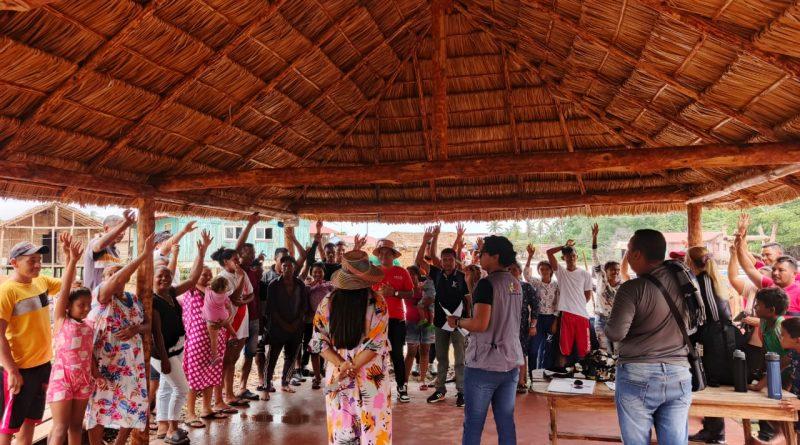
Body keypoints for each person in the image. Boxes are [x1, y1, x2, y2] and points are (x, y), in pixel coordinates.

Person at [605, 229, 693, 445]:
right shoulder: (686, 282)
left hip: (638, 373)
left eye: (628, 251)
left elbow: (615, 332)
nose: (627, 255)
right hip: (679, 371)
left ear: (637, 254)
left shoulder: (632, 288)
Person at [447, 235, 522, 445]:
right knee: (506, 422)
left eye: (483, 253)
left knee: (474, 424)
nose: (479, 256)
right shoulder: (515, 283)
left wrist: (458, 322)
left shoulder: (487, 284)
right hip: (510, 362)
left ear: (495, 256)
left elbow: (480, 324)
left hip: (484, 365)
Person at [310, 250, 391, 445]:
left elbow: (319, 341)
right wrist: (353, 366)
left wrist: (342, 365)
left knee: (342, 430)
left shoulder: (327, 302)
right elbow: (375, 344)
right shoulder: (378, 303)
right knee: (373, 430)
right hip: (370, 375)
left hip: (339, 373)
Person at [87, 237, 154, 445]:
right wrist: (143, 255)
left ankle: (119, 443)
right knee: (99, 405)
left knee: (135, 403)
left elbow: (147, 325)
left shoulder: (133, 299)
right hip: (105, 362)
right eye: (109, 275)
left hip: (131, 363)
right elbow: (115, 282)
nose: (114, 278)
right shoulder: (101, 295)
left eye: (117, 274)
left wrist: (136, 328)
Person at [151, 230, 212, 444]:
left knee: (167, 387)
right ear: (152, 279)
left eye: (167, 276)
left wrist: (201, 253)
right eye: (159, 276)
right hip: (162, 352)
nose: (164, 279)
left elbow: (193, 278)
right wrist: (164, 358)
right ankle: (172, 429)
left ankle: (162, 425)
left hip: (176, 348)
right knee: (181, 387)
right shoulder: (153, 300)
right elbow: (156, 334)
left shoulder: (170, 292)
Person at [0, 241, 62, 445]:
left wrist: (72, 261)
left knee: (30, 421)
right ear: (14, 263)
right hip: (19, 370)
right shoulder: (7, 291)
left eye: (39, 260)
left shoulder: (41, 282)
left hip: (43, 366)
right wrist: (12, 371)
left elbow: (69, 285)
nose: (37, 265)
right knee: (8, 427)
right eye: (31, 261)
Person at [685, 246, 735, 444]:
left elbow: (715, 315)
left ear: (690, 261)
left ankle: (716, 434)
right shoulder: (713, 278)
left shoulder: (703, 280)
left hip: (716, 339)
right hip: (718, 337)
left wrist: (700, 334)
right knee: (711, 380)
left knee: (712, 382)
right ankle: (712, 430)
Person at [416, 226, 470, 406]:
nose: (446, 262)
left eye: (450, 260)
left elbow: (468, 300)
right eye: (444, 259)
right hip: (440, 322)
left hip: (459, 324)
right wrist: (425, 241)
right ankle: (440, 390)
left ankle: (462, 392)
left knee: (460, 360)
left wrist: (468, 321)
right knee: (441, 358)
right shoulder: (436, 274)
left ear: (455, 261)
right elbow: (419, 261)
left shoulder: (462, 277)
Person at [47, 235, 93, 445]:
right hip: (62, 380)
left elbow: (90, 354)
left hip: (83, 380)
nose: (86, 309)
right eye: (81, 305)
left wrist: (95, 373)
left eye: (88, 305)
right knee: (60, 428)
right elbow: (65, 289)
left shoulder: (89, 325)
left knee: (76, 427)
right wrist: (73, 261)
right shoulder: (61, 321)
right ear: (67, 306)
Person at [180, 266, 233, 428]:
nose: (208, 277)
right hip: (197, 340)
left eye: (210, 275)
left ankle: (206, 408)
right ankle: (190, 413)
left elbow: (228, 308)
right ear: (195, 275)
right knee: (195, 376)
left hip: (217, 339)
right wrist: (201, 255)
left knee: (212, 371)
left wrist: (226, 322)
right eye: (203, 274)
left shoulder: (213, 291)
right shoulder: (191, 289)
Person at [210, 247, 253, 408]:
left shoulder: (242, 273)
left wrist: (244, 301)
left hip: (242, 319)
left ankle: (229, 394)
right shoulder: (222, 278)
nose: (238, 261)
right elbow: (234, 297)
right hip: (229, 322)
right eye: (235, 259)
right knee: (225, 360)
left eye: (238, 258)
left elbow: (250, 294)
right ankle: (219, 397)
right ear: (225, 262)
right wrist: (240, 278)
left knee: (233, 359)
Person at [373, 238, 414, 403]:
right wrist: (378, 295)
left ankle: (402, 387)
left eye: (387, 253)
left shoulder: (402, 272)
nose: (384, 256)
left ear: (393, 255)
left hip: (396, 320)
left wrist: (395, 293)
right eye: (381, 253)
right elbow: (366, 295)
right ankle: (377, 389)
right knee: (376, 355)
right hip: (376, 321)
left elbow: (410, 294)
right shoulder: (373, 272)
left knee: (397, 355)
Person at [265, 256, 310, 393]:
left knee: (291, 356)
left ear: (294, 268)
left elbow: (304, 306)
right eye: (284, 266)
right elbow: (271, 308)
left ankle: (285, 382)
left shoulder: (300, 284)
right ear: (281, 268)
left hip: (296, 328)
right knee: (272, 357)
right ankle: (267, 383)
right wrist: (284, 324)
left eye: (290, 266)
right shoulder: (273, 285)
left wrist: (296, 322)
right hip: (278, 328)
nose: (287, 268)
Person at [546, 241, 593, 366]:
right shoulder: (561, 272)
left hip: (582, 316)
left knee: (584, 350)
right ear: (563, 258)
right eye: (567, 256)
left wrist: (577, 304)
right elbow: (549, 253)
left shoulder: (585, 274)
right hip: (566, 315)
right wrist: (564, 246)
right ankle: (562, 374)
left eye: (573, 255)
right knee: (563, 350)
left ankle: (584, 374)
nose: (571, 258)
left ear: (577, 256)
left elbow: (587, 296)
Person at [235, 213, 265, 402]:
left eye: (252, 254)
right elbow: (237, 246)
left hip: (254, 320)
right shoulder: (237, 269)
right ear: (239, 255)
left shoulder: (252, 272)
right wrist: (249, 225)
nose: (251, 256)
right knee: (232, 356)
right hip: (240, 320)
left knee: (249, 354)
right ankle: (227, 392)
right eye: (247, 253)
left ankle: (242, 387)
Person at [523, 245, 559, 372]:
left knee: (548, 348)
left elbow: (558, 303)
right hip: (537, 319)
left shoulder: (556, 285)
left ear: (551, 270)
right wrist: (530, 257)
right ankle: (533, 374)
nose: (544, 271)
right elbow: (526, 275)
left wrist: (555, 321)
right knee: (533, 349)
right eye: (541, 269)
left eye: (546, 269)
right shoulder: (536, 282)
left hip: (551, 319)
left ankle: (545, 373)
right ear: (538, 271)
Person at [83, 210, 136, 291]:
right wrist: (125, 223)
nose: (123, 233)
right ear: (106, 228)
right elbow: (98, 247)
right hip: (95, 296)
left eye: (124, 229)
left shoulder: (116, 251)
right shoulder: (95, 241)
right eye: (119, 229)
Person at [591, 223, 623, 353]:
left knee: (616, 350)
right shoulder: (601, 277)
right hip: (600, 319)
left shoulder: (622, 286)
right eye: (612, 269)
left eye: (618, 270)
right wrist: (594, 238)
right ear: (606, 270)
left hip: (616, 321)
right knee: (604, 350)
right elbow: (594, 257)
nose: (616, 272)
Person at [403, 265, 435, 390]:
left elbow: (431, 301)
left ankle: (422, 380)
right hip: (411, 322)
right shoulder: (406, 289)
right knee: (411, 352)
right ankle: (404, 381)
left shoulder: (425, 288)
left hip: (428, 323)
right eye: (408, 274)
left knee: (425, 350)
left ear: (417, 275)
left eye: (412, 273)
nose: (410, 276)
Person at [509, 261, 539, 393]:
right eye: (509, 270)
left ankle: (521, 382)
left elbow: (535, 307)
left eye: (514, 270)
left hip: (522, 326)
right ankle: (508, 383)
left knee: (521, 353)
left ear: (520, 272)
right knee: (507, 352)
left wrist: (533, 325)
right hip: (506, 326)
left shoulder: (526, 287)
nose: (511, 272)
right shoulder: (504, 286)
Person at [305, 262, 334, 389]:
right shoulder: (308, 287)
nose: (317, 274)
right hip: (315, 323)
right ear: (311, 273)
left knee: (330, 350)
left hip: (330, 323)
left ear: (324, 273)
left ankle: (332, 376)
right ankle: (317, 377)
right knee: (315, 350)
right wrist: (310, 286)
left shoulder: (329, 285)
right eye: (315, 272)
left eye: (320, 271)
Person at [203, 275, 241, 364]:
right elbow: (228, 305)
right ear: (223, 288)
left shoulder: (208, 291)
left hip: (211, 320)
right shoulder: (224, 296)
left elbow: (207, 285)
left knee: (214, 339)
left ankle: (214, 357)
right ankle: (234, 336)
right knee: (228, 324)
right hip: (223, 317)